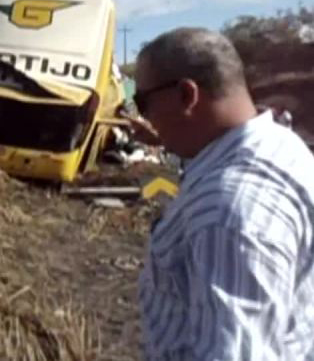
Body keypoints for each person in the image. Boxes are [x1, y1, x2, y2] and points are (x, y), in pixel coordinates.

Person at [131, 27, 314, 360]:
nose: (146, 117)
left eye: (143, 102)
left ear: (187, 95)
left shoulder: (227, 215)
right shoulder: (279, 143)